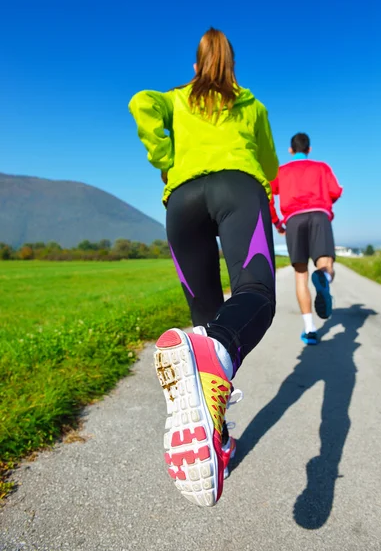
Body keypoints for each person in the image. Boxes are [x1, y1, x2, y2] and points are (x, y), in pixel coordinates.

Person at [129, 27, 278, 507]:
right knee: (254, 295)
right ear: (231, 65)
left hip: (183, 201)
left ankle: (218, 436)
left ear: (196, 66)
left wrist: (166, 159)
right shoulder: (251, 106)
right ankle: (216, 357)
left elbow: (139, 103)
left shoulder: (173, 98)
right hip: (239, 189)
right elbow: (271, 168)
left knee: (206, 325)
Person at [270, 133, 343, 345]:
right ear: (309, 149)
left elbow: (268, 194)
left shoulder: (281, 171)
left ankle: (310, 330)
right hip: (319, 215)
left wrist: (277, 222)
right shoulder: (322, 167)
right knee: (325, 264)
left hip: (293, 220)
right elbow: (335, 192)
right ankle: (325, 279)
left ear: (291, 150)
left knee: (301, 275)